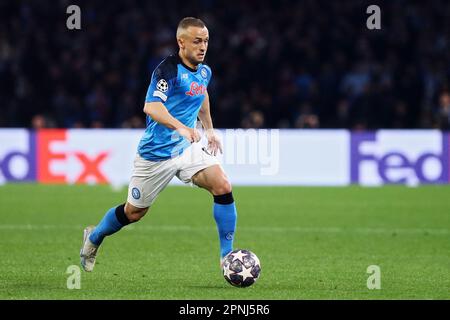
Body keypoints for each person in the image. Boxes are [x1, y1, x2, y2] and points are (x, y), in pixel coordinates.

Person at [80, 17, 237, 271]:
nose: (203, 46)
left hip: (187, 148)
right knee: (134, 213)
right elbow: (151, 106)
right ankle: (94, 236)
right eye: (197, 41)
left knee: (222, 185)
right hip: (156, 154)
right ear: (181, 42)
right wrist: (182, 127)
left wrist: (209, 130)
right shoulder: (167, 71)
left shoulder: (205, 71)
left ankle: (226, 258)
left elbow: (202, 93)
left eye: (206, 41)